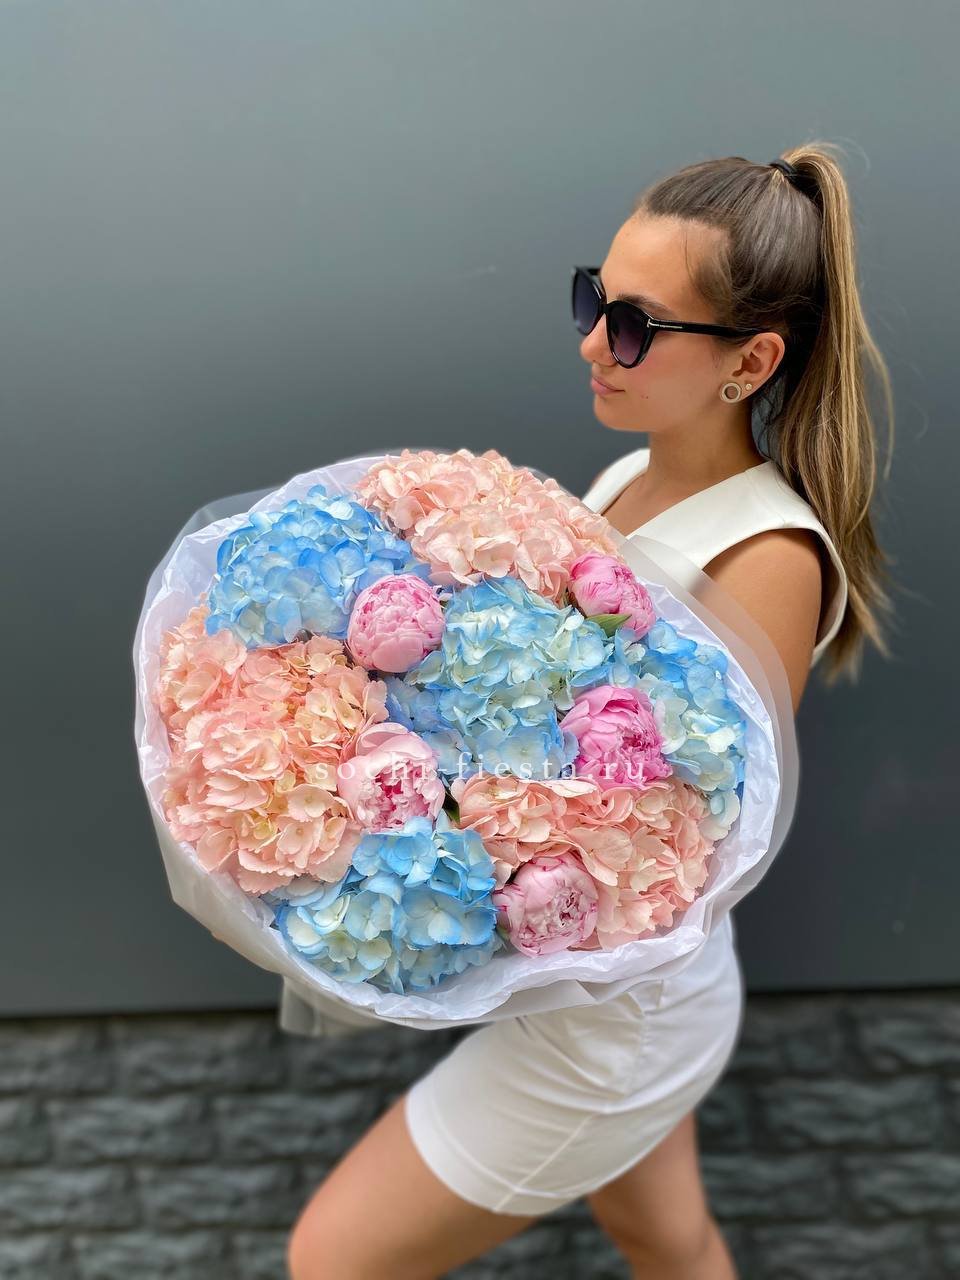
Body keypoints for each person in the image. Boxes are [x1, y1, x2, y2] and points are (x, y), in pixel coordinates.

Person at [286, 142, 897, 1280]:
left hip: (622, 1013)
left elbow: (692, 833)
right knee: (666, 1239)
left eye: (632, 325)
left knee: (333, 1257)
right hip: (591, 973)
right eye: (593, 300)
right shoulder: (628, 481)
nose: (589, 344)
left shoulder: (767, 554)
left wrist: (446, 827)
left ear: (751, 360)